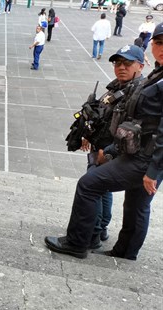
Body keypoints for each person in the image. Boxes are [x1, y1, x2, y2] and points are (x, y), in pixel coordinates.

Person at [45, 25, 163, 261]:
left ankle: (78, 243)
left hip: (145, 158)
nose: (162, 48)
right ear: (151, 45)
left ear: (140, 65)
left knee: (89, 185)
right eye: (158, 42)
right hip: (140, 153)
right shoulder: (157, 74)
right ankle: (124, 253)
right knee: (136, 206)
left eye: (127, 63)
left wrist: (153, 170)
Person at [77, 45, 145, 247]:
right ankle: (101, 227)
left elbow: (130, 127)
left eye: (127, 63)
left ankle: (94, 232)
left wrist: (106, 151)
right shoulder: (117, 85)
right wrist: (88, 135)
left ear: (140, 66)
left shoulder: (137, 91)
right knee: (102, 190)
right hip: (99, 144)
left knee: (93, 187)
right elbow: (101, 114)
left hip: (109, 150)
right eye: (117, 63)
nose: (121, 67)